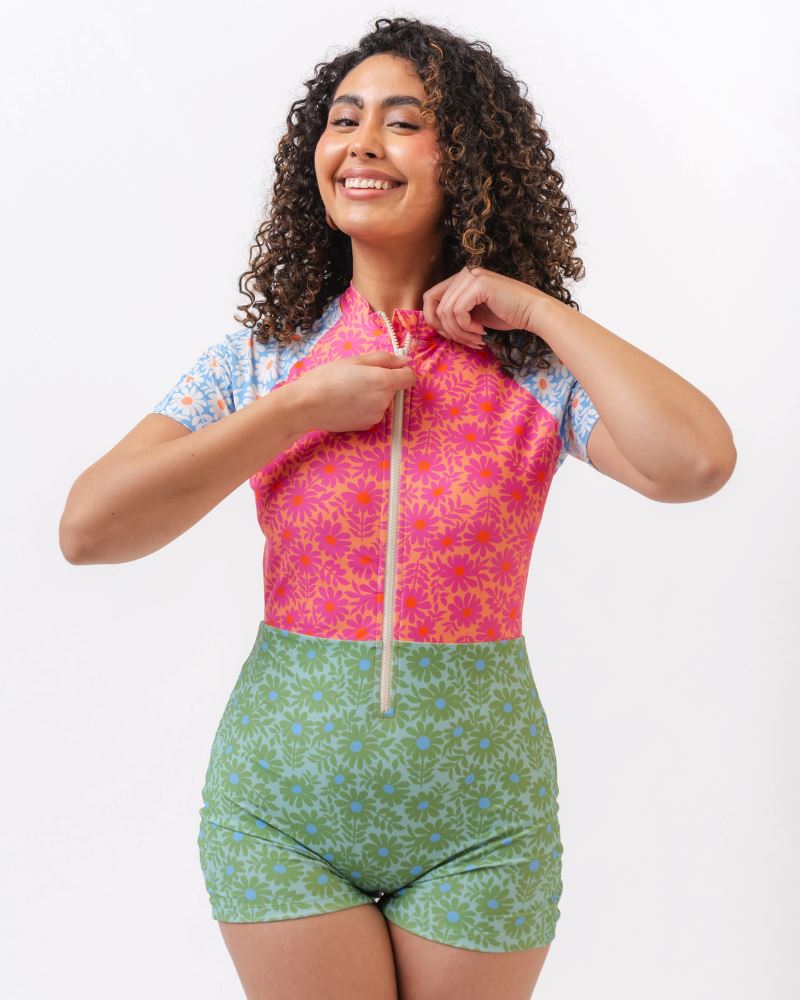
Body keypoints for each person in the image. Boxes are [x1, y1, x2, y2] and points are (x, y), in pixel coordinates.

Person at [59, 16, 737, 1000]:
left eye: (402, 120)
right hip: (280, 813)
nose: (362, 144)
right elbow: (88, 529)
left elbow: (696, 462)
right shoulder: (266, 358)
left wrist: (544, 311)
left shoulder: (531, 369)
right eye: (343, 120)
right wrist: (296, 408)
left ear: (463, 158)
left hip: (482, 821)